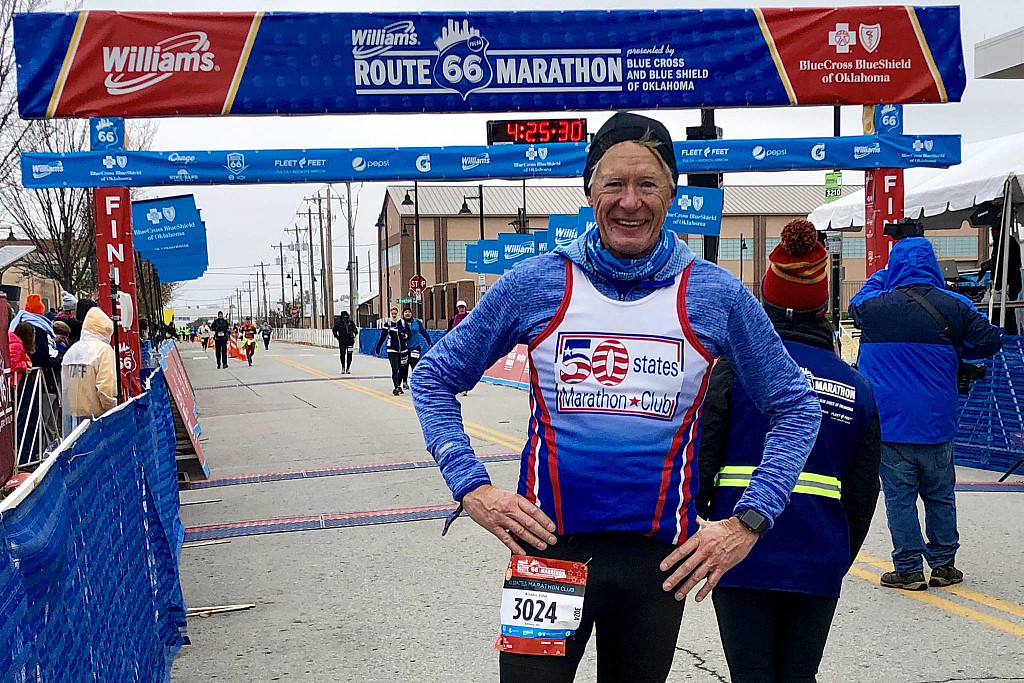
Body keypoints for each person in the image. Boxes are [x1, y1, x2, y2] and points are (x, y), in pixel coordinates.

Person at [411, 112, 821, 682]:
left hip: (656, 566)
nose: (631, 201)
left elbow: (796, 405)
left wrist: (748, 522)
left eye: (647, 184)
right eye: (615, 184)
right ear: (589, 192)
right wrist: (472, 488)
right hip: (547, 553)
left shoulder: (714, 294)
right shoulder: (537, 282)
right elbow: (432, 377)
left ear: (671, 194)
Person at [697, 219, 881, 683]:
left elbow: (701, 463)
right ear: (823, 307)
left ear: (765, 301)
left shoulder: (732, 372)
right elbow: (862, 495)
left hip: (739, 557)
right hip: (817, 561)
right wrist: (835, 558)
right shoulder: (857, 389)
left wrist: (704, 537)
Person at [850, 233, 1002, 590]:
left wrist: (885, 274)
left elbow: (856, 303)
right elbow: (990, 339)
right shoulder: (954, 305)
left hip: (890, 425)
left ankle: (908, 569)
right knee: (940, 495)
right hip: (937, 423)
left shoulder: (874, 306)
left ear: (894, 268)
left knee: (899, 498)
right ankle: (944, 565)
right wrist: (959, 350)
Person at [61, 307, 118, 434]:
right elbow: (106, 389)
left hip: (73, 414)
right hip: (97, 416)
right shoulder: (103, 351)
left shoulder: (72, 351)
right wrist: (114, 409)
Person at [375, 307, 409, 396]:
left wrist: (405, 336)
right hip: (392, 349)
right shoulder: (388, 324)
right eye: (392, 314)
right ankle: (396, 387)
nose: (394, 315)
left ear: (398, 314)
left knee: (402, 369)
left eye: (395, 314)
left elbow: (409, 335)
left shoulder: (403, 323)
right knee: (395, 368)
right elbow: (383, 337)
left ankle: (399, 385)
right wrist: (378, 347)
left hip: (403, 349)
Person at [401, 308, 432, 390]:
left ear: (411, 313)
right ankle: (404, 382)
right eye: (405, 312)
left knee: (414, 364)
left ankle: (415, 381)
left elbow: (423, 331)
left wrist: (428, 340)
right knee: (405, 365)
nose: (407, 313)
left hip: (415, 346)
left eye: (409, 312)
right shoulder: (400, 322)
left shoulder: (417, 322)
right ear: (403, 314)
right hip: (404, 347)